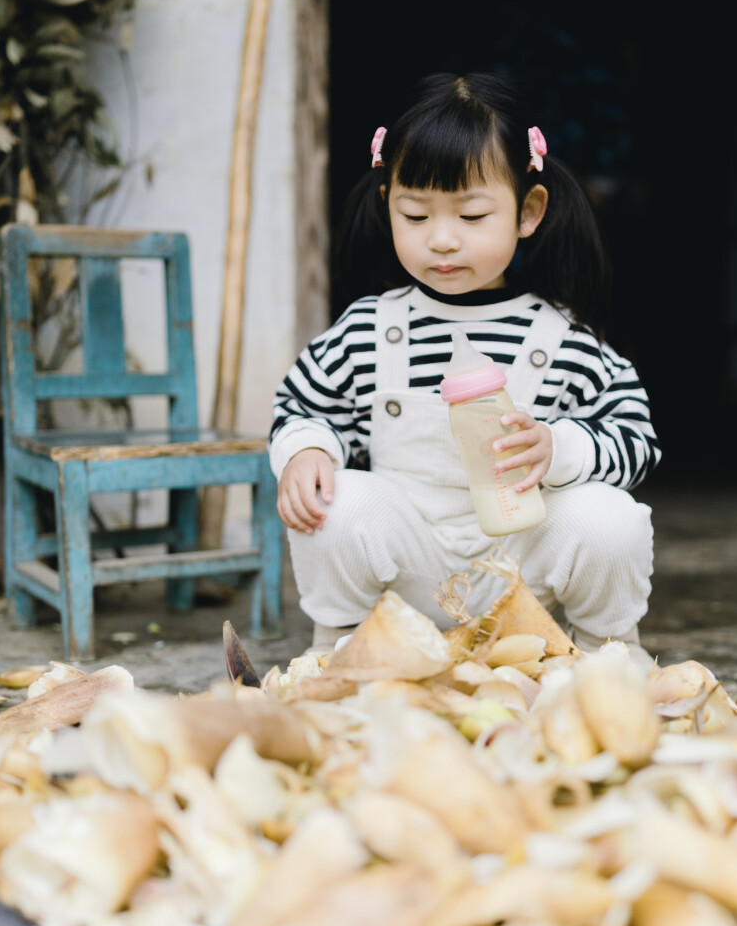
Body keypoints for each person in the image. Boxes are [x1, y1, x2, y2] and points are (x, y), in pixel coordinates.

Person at [270, 73, 659, 663]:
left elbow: (634, 435)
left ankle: (609, 653)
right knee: (337, 498)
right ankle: (339, 652)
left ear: (528, 212)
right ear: (387, 205)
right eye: (416, 216)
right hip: (406, 578)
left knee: (612, 517)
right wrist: (306, 451)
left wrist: (559, 449)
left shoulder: (562, 338)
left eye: (472, 216)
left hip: (520, 574)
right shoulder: (368, 330)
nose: (443, 241)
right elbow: (303, 406)